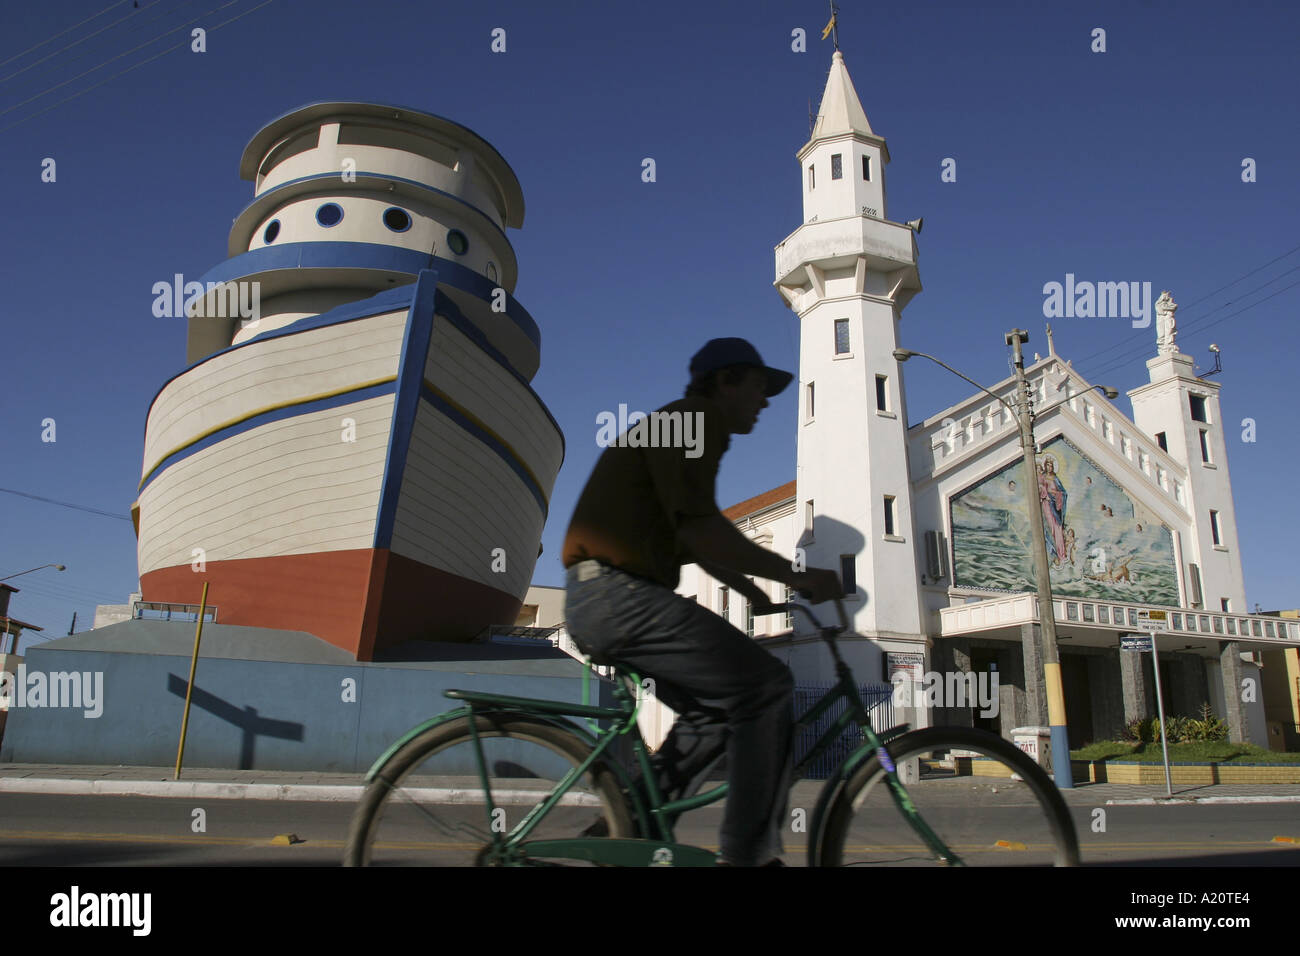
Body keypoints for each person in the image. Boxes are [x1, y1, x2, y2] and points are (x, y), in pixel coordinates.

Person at [562, 337, 843, 867]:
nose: (765, 402)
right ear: (724, 381)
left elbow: (688, 531)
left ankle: (628, 823)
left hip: (603, 597)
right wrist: (794, 576)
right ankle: (749, 855)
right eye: (759, 388)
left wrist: (750, 589)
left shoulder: (684, 426)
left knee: (712, 714)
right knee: (766, 687)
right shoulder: (694, 423)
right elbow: (700, 529)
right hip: (618, 596)